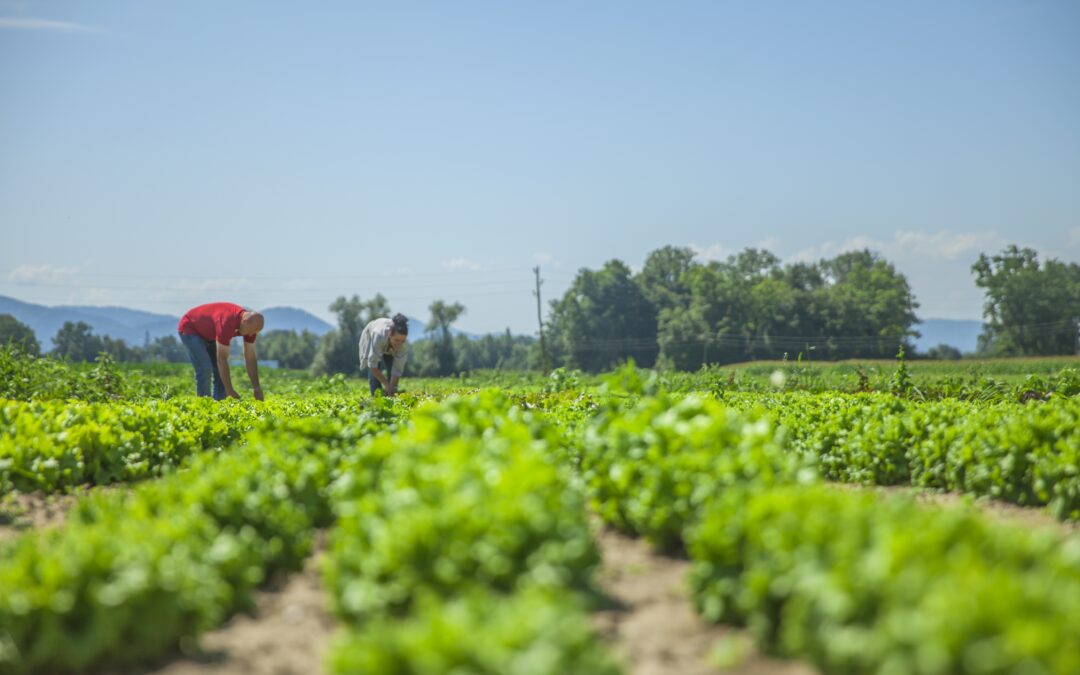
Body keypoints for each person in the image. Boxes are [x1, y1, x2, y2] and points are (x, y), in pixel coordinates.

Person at [178, 302, 265, 400]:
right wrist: (229, 390)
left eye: (254, 333)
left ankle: (219, 404)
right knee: (205, 368)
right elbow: (222, 360)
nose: (250, 335)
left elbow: (250, 358)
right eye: (250, 332)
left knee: (219, 372)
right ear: (244, 321)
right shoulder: (227, 322)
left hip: (210, 334)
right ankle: (204, 404)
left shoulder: (251, 328)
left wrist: (256, 387)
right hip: (190, 328)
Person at [359, 313, 409, 396]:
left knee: (391, 373)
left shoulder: (403, 345)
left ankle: (391, 395)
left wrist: (391, 386)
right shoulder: (378, 335)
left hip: (389, 346)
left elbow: (397, 370)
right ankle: (376, 397)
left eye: (402, 341)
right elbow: (373, 366)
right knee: (374, 378)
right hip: (372, 338)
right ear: (390, 334)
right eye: (396, 340)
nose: (399, 344)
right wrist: (386, 384)